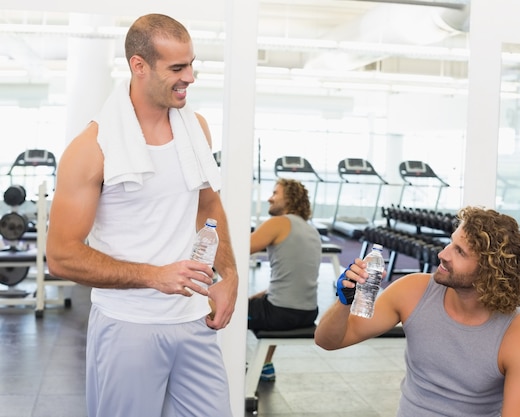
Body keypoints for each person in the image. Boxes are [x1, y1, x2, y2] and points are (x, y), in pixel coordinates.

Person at [46, 14, 238, 417]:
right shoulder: (91, 149)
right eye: (177, 68)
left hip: (192, 320)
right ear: (139, 66)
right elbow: (61, 255)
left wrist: (230, 276)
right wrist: (155, 276)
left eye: (191, 64)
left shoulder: (195, 127)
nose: (190, 76)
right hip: (127, 326)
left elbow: (208, 205)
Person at [315, 206, 520, 417]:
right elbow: (328, 340)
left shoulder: (519, 338)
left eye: (460, 252)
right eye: (450, 243)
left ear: (489, 271)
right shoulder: (413, 291)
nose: (443, 254)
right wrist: (344, 303)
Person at [249, 178, 321, 381]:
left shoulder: (278, 223)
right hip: (308, 312)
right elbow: (295, 278)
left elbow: (238, 249)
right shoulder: (311, 230)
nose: (270, 198)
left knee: (215, 308)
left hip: (280, 313)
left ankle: (225, 363)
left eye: (275, 193)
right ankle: (265, 365)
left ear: (289, 198)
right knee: (254, 304)